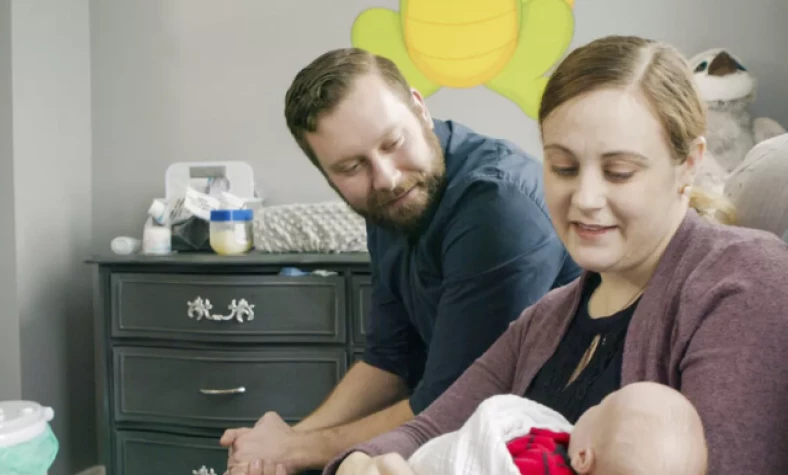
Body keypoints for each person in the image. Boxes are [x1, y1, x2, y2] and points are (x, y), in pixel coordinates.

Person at [326, 35, 788, 475]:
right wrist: (359, 462)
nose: (584, 198)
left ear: (688, 164)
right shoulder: (545, 321)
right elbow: (425, 430)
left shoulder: (744, 281)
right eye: (564, 167)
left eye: (619, 172)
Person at [220, 48, 581, 474]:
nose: (386, 177)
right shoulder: (391, 202)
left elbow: (450, 405)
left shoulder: (497, 207)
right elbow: (389, 358)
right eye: (351, 166)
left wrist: (294, 450)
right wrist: (282, 443)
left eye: (393, 143)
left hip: (543, 442)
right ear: (327, 174)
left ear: (419, 109)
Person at [404, 381, 707, 475]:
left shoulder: (542, 464)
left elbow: (486, 457)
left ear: (583, 458)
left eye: (601, 407)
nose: (592, 407)